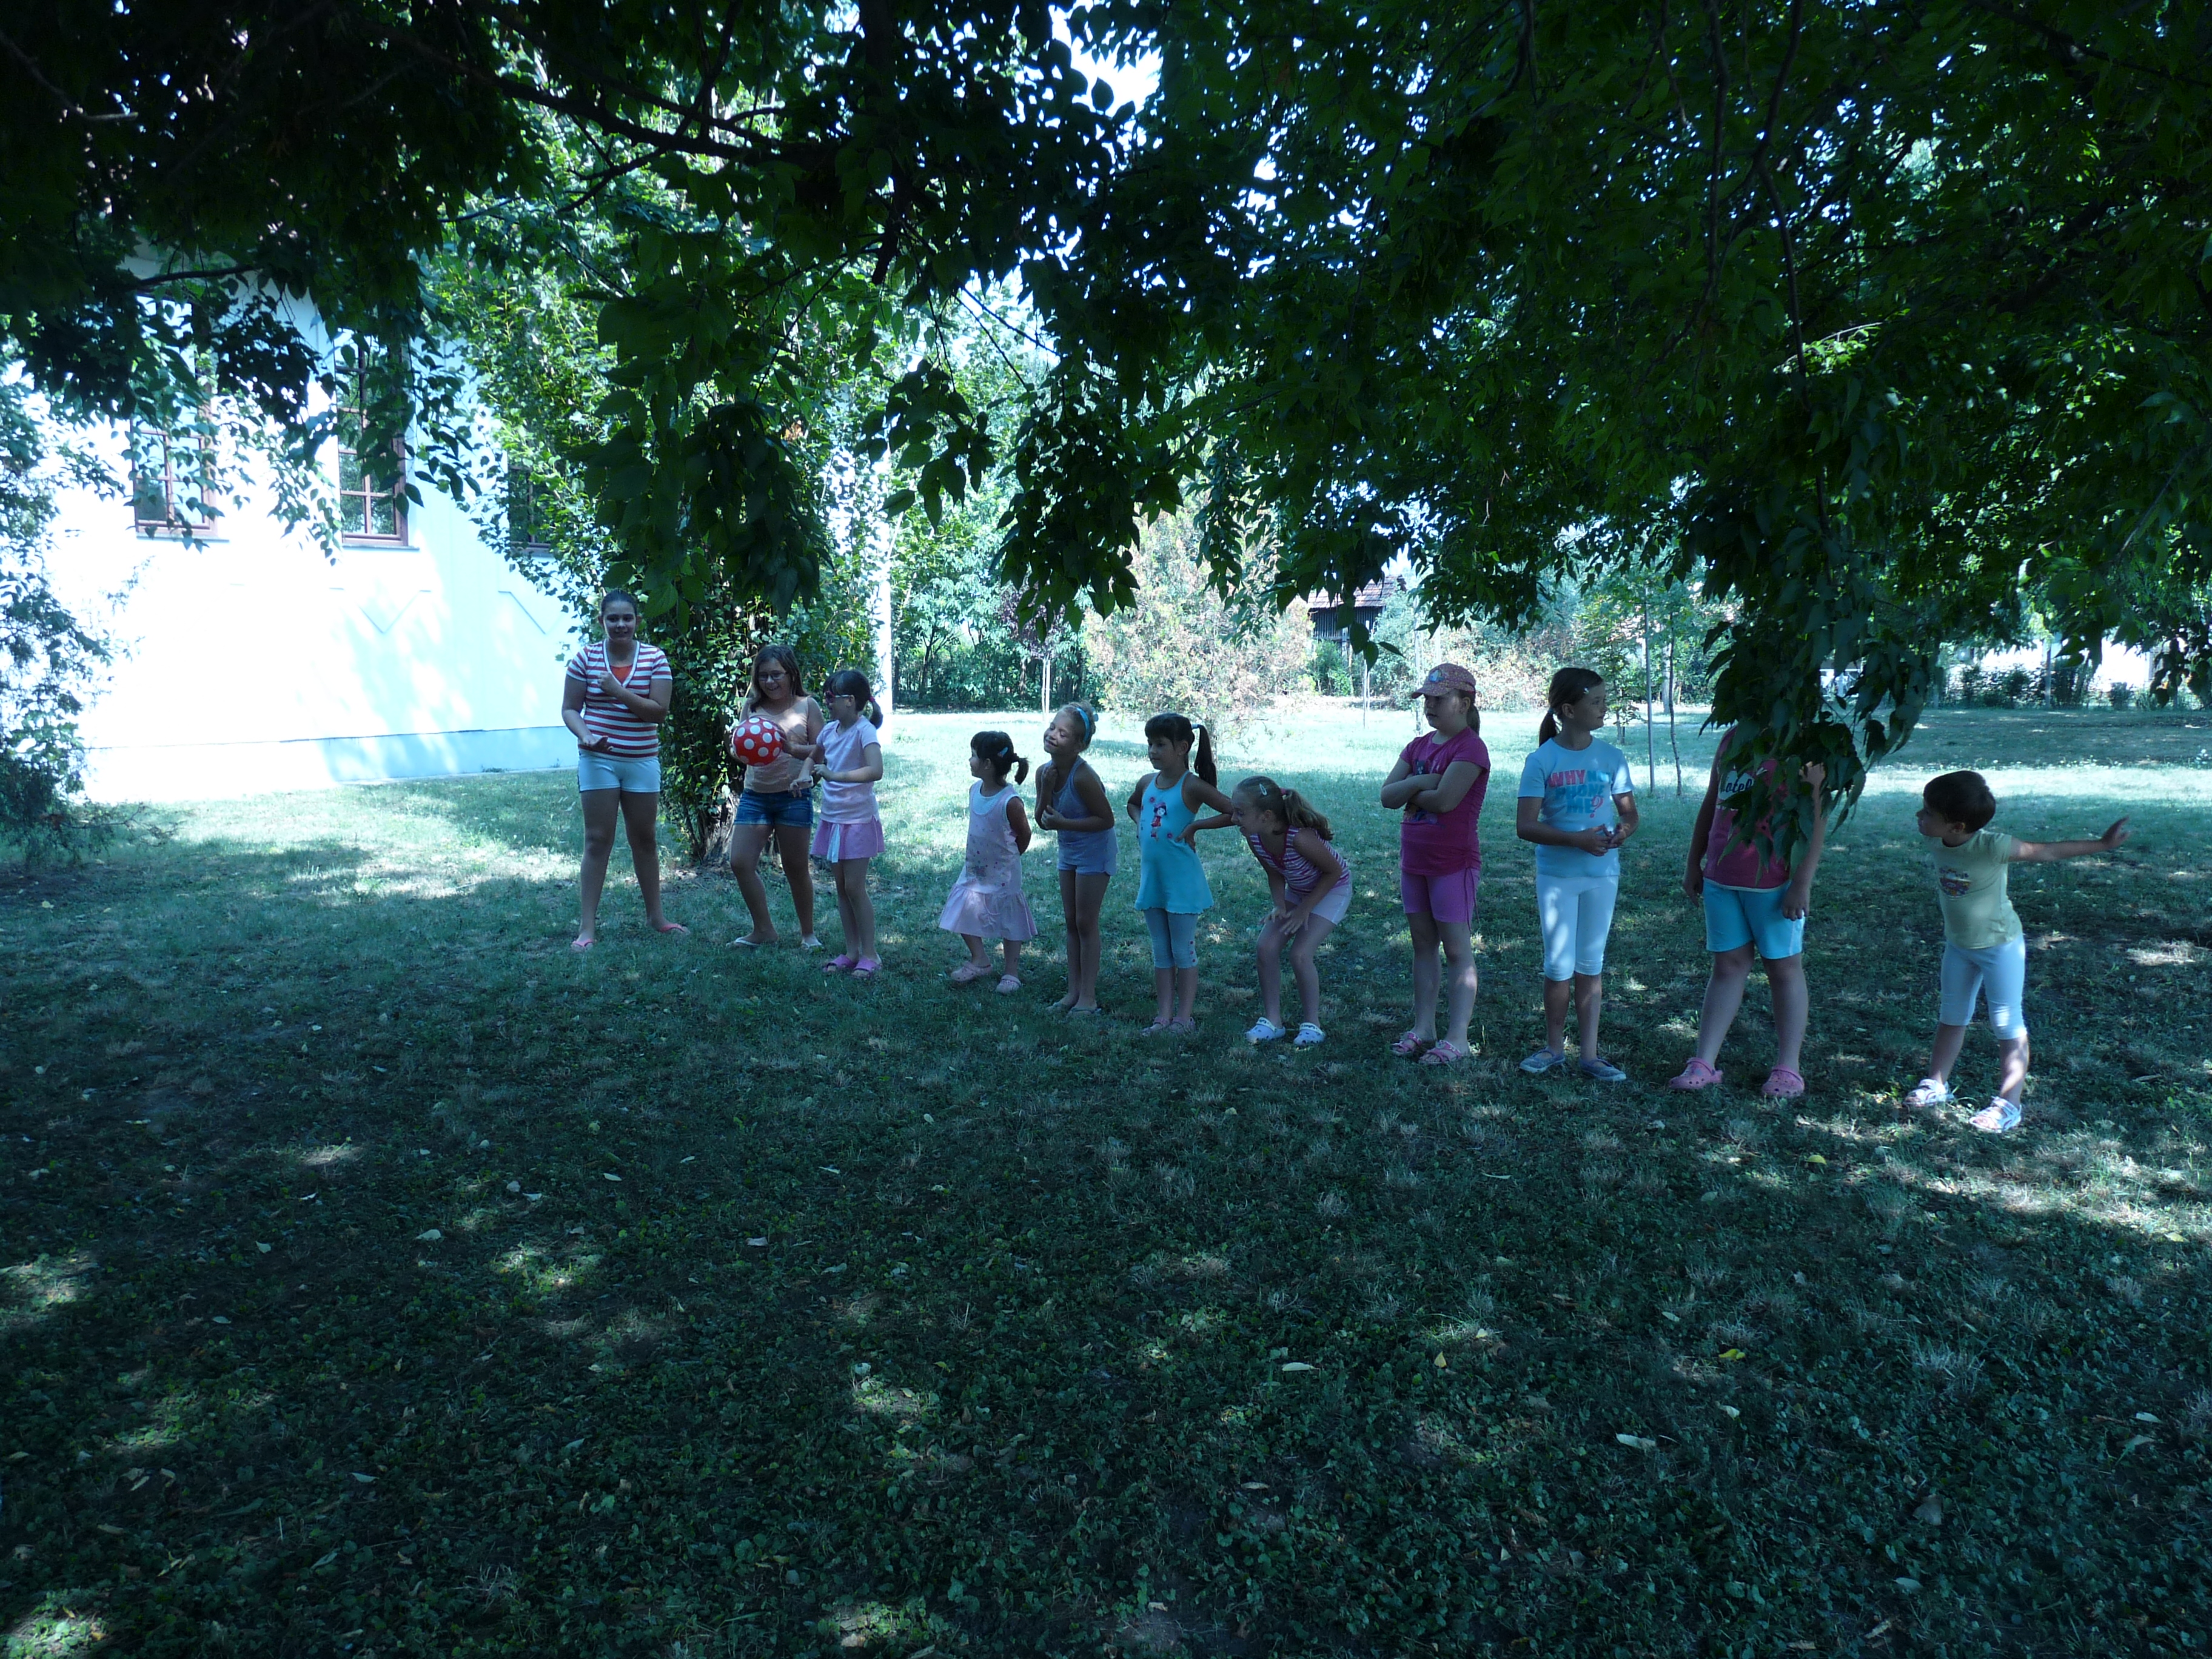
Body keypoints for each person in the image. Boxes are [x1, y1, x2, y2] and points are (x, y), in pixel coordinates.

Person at [1902, 769, 2130, 1133]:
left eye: (1928, 812)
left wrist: (2102, 845)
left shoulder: (1992, 846)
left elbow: (2045, 852)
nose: (1919, 815)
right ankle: (1936, 1083)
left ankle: (2010, 1104)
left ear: (1957, 826)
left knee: (2007, 1023)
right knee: (1952, 1015)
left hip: (2000, 946)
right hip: (1959, 945)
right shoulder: (1938, 840)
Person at [1669, 729, 1829, 1096]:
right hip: (1722, 878)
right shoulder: (1732, 739)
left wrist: (1802, 883)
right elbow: (1713, 802)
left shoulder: (1802, 744)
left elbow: (1815, 819)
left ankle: (1789, 1067)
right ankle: (1704, 1061)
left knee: (1783, 968)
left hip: (1775, 884)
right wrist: (1694, 862)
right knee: (1727, 966)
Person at [1515, 668, 1638, 1080]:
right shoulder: (1542, 760)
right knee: (1558, 966)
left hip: (1602, 876)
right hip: (1557, 878)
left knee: (1591, 963)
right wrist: (1576, 840)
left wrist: (1624, 831)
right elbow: (1525, 826)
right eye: (1596, 702)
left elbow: (1630, 814)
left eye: (1605, 700)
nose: (1604, 709)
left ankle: (1590, 1055)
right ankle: (1553, 1049)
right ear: (1569, 710)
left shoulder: (1611, 757)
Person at [1378, 664, 1492, 1065]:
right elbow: (1387, 796)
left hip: (1453, 864)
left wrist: (1411, 790)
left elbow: (1446, 801)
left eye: (1439, 698)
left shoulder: (1470, 748)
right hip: (1415, 862)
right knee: (1423, 946)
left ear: (1464, 703)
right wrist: (1421, 782)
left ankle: (1457, 1038)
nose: (1430, 705)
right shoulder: (1417, 747)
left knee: (1457, 950)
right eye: (1426, 698)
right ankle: (1423, 1028)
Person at [561, 589, 685, 950]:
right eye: (612, 618)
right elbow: (570, 709)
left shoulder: (654, 658)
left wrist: (617, 691)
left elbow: (658, 713)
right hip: (598, 760)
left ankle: (656, 917)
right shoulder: (585, 658)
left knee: (644, 839)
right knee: (597, 839)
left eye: (627, 618)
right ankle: (587, 928)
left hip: (642, 761)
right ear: (601, 621)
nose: (620, 625)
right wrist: (586, 736)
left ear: (637, 621)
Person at [1205, 776, 1351, 1047]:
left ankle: (1312, 1025)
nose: (1233, 819)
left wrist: (1304, 910)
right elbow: (1274, 871)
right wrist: (1280, 905)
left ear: (1267, 816)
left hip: (1332, 889)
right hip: (1299, 889)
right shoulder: (1255, 837)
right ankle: (1273, 1021)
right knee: (1266, 947)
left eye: (1240, 813)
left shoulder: (1301, 838)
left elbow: (1333, 873)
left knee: (1300, 954)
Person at [1126, 712, 1236, 1034]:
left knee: (1182, 950)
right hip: (1154, 881)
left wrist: (1196, 826)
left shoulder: (1192, 786)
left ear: (1182, 747)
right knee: (1161, 950)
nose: (1153, 751)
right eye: (1150, 744)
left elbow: (1234, 811)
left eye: (1160, 745)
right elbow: (1133, 805)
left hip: (1182, 883)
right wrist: (1141, 824)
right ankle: (1163, 1015)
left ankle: (1184, 1017)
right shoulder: (1147, 782)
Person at [727, 645, 824, 951]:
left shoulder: (808, 706)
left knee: (796, 868)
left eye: (776, 675)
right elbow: (740, 750)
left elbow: (824, 751)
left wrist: (792, 750)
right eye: (763, 676)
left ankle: (808, 934)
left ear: (791, 674)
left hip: (793, 797)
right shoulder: (751, 707)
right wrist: (739, 749)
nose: (770, 682)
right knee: (740, 862)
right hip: (755, 796)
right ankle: (764, 930)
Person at [939, 731, 1037, 993]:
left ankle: (1011, 973)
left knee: (1010, 920)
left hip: (1004, 873)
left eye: (974, 755)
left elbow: (1024, 835)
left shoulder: (1010, 802)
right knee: (963, 908)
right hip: (975, 870)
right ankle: (980, 959)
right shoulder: (975, 791)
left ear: (988, 764)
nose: (969, 760)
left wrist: (1010, 859)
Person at [1035, 703, 1117, 1013]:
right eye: (1052, 728)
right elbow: (1042, 820)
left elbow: (1106, 820)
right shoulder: (1045, 773)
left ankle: (1088, 998)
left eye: (1063, 733)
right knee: (1071, 921)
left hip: (1095, 852)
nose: (1053, 735)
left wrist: (1065, 824)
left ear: (1079, 745)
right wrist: (1046, 788)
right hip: (1068, 851)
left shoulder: (1083, 777)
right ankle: (1073, 992)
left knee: (1086, 922)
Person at [810, 668, 886, 976]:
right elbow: (814, 757)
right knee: (841, 888)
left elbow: (876, 770)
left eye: (831, 697)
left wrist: (835, 775)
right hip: (833, 819)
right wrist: (804, 776)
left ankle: (871, 954)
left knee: (855, 887)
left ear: (850, 701)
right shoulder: (830, 731)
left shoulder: (864, 731)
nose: (827, 702)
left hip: (857, 821)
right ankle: (852, 952)